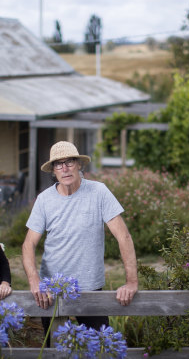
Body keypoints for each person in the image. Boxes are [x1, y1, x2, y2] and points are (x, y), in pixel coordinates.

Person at [23, 141, 138, 337]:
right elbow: (28, 244)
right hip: (53, 291)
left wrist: (131, 282)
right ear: (53, 170)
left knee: (99, 346)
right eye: (58, 164)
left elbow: (124, 237)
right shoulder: (44, 200)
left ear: (79, 164)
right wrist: (34, 281)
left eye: (69, 162)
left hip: (90, 288)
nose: (65, 168)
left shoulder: (99, 192)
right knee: (56, 350)